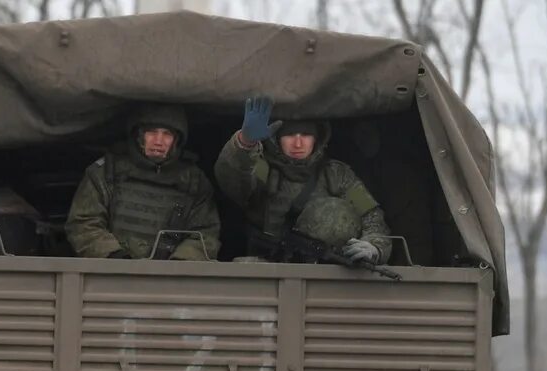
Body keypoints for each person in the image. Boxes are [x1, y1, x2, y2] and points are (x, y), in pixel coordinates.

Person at [214, 96, 391, 264]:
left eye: (306, 134)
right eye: (289, 135)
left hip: (327, 269)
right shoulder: (262, 168)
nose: (298, 144)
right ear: (277, 138)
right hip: (267, 266)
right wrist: (244, 143)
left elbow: (371, 217)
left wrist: (374, 247)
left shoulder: (338, 175)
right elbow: (232, 182)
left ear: (318, 138)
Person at [66, 104, 220, 261]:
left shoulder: (194, 181)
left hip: (171, 279)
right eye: (152, 133)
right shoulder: (106, 172)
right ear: (138, 136)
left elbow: (206, 234)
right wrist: (115, 257)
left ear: (176, 140)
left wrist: (180, 263)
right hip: (111, 274)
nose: (159, 141)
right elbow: (83, 223)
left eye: (167, 134)